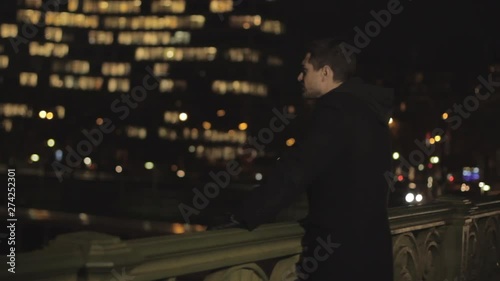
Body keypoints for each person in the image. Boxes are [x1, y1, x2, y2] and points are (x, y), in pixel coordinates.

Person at [208, 37, 395, 281]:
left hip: (342, 258)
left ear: (325, 73)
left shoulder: (335, 111)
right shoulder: (370, 111)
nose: (299, 77)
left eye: (305, 70)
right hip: (374, 250)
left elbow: (296, 170)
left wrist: (244, 215)